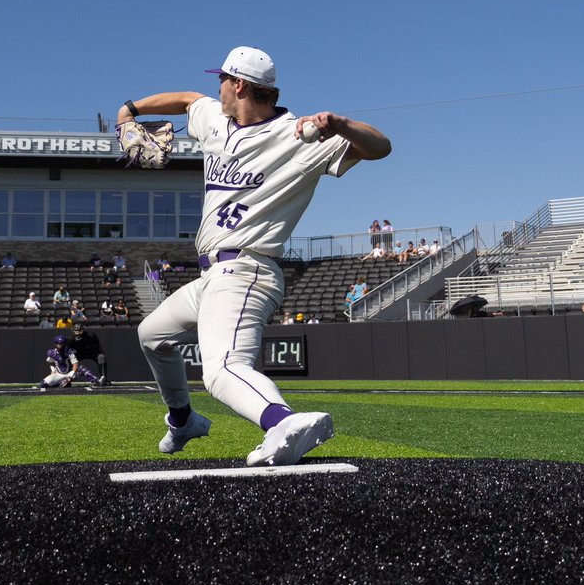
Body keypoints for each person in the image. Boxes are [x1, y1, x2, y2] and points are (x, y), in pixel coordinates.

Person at [118, 44, 390, 464]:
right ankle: (183, 419)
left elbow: (381, 147)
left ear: (240, 85)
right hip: (208, 276)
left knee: (222, 370)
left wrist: (341, 123)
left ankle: (283, 421)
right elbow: (188, 99)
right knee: (152, 336)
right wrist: (128, 109)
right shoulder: (216, 119)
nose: (218, 87)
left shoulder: (299, 136)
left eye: (222, 79)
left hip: (247, 269)